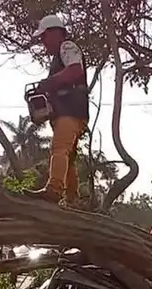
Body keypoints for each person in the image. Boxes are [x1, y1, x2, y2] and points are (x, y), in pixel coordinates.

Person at [29, 14, 90, 207]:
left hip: (72, 112)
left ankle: (54, 190)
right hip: (66, 112)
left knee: (59, 149)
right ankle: (72, 199)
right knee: (68, 156)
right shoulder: (57, 57)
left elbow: (75, 71)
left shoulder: (67, 47)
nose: (43, 42)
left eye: (44, 37)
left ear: (55, 33)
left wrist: (48, 83)